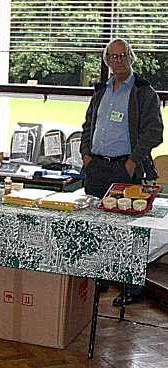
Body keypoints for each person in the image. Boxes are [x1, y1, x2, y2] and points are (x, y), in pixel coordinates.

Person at [80, 38, 164, 306]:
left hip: (125, 168)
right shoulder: (101, 91)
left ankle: (131, 287)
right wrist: (85, 154)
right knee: (97, 227)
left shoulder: (143, 92)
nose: (118, 60)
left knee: (128, 231)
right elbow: (87, 125)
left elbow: (154, 132)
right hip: (97, 168)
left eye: (122, 55)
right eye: (113, 57)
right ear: (107, 61)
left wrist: (132, 162)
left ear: (131, 57)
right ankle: (102, 278)